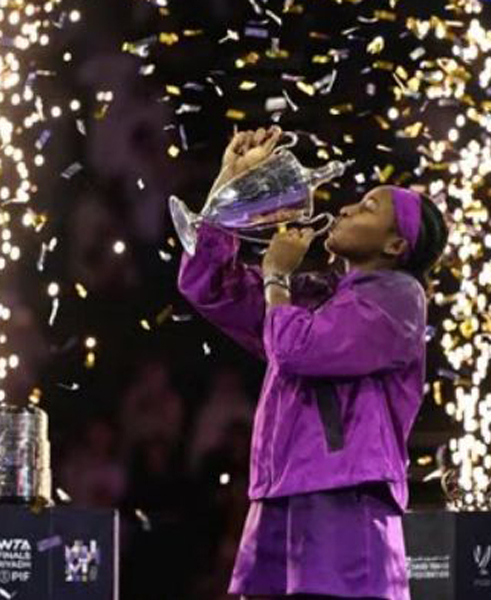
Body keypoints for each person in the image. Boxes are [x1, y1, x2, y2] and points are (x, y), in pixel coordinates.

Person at [177, 126, 449, 600]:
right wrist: (229, 187)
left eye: (368, 208)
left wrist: (277, 277)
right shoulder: (321, 294)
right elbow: (210, 287)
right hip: (281, 488)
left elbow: (298, 350)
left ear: (395, 246)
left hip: (344, 495)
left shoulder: (400, 298)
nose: (345, 208)